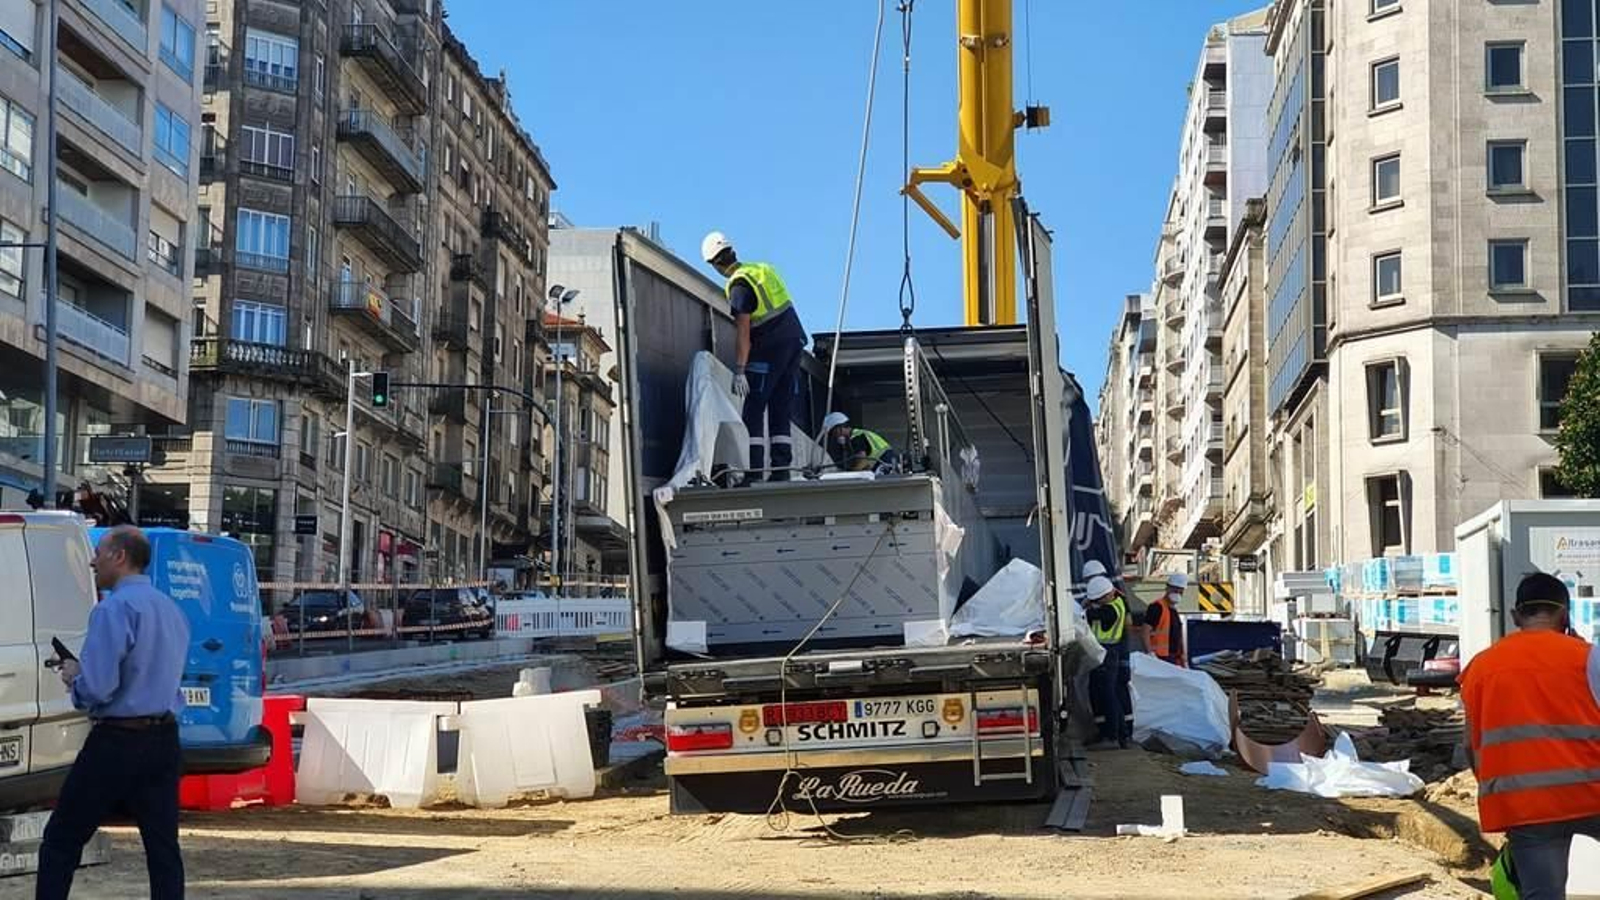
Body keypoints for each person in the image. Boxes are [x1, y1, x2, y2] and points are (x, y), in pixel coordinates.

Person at [37, 526, 190, 900]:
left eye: (99, 552)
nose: (92, 560)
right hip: (164, 738)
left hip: (118, 740)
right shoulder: (171, 609)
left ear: (119, 557)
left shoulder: (113, 609)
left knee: (61, 839)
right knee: (162, 848)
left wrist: (76, 678)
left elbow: (99, 687)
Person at [1458, 571, 1600, 900]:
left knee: (1542, 895)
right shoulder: (1589, 658)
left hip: (1525, 805)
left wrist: (1496, 786)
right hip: (1592, 793)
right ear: (1564, 615)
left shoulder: (1481, 667)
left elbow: (1469, 744)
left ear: (1514, 616)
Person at [703, 231, 808, 482]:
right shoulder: (761, 269)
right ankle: (781, 470)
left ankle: (754, 472)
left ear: (715, 264)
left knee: (753, 408)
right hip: (794, 343)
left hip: (769, 346)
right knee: (781, 408)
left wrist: (739, 369)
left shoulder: (738, 285)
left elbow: (743, 332)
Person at [1083, 575, 1131, 749]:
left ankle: (1111, 736)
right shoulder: (1117, 601)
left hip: (1107, 655)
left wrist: (1085, 608)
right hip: (1104, 653)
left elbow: (1091, 615)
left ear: (1105, 596)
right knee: (1100, 693)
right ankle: (1113, 734)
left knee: (1107, 695)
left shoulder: (1109, 610)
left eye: (1097, 599)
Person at [820, 412, 901, 474]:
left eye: (833, 433)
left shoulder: (857, 437)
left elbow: (862, 462)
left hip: (884, 463)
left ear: (839, 428)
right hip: (885, 463)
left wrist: (851, 475)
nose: (835, 436)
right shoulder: (855, 437)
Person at [1144, 572, 1188, 668]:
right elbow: (1145, 631)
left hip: (1172, 657)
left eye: (1180, 591)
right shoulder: (1156, 607)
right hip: (1159, 657)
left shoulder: (1173, 610)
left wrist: (1182, 657)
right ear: (1167, 588)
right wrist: (1149, 653)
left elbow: (1178, 636)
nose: (1178, 593)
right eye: (1175, 590)